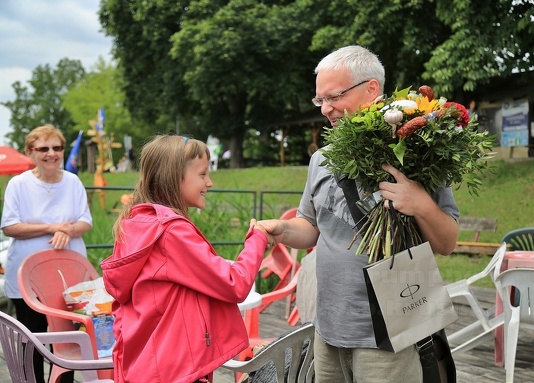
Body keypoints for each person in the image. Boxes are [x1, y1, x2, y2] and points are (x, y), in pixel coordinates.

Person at [259, 45, 459, 383]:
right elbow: (310, 225)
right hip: (328, 328)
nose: (325, 109)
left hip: (390, 331)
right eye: (319, 100)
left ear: (371, 89)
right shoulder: (321, 160)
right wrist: (281, 228)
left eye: (334, 96)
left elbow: (448, 242)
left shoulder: (416, 152)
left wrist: (420, 203)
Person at [100, 135, 274, 383]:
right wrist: (258, 238)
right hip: (177, 370)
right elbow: (234, 283)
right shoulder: (172, 232)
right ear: (174, 177)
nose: (210, 182)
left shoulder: (136, 223)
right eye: (202, 174)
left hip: (148, 364)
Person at [1, 124, 93, 383]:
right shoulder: (18, 184)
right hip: (28, 277)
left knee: (67, 341)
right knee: (32, 337)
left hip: (68, 276)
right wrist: (53, 227)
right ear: (31, 152)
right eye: (43, 148)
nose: (51, 153)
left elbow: (85, 222)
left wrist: (69, 231)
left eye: (57, 147)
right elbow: (10, 226)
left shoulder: (73, 181)